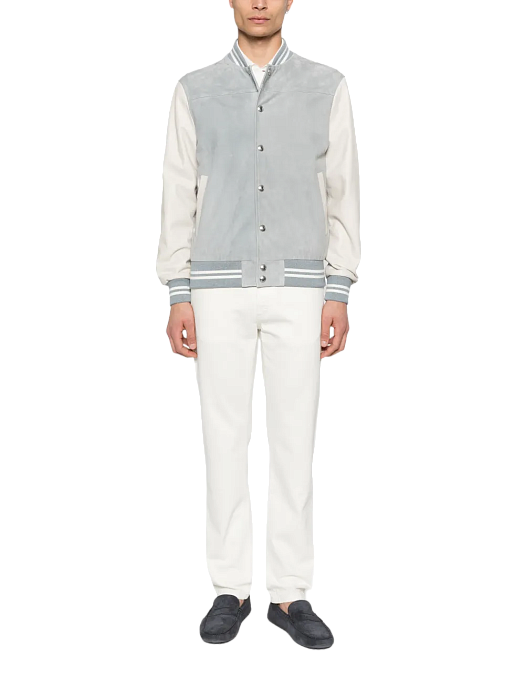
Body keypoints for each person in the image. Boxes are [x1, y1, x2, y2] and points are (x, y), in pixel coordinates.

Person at [155, 0, 360, 651]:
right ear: (229, 1)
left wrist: (339, 286)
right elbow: (178, 187)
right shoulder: (194, 88)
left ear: (291, 1)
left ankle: (290, 592)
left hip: (301, 290)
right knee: (222, 439)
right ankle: (229, 588)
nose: (260, 2)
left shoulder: (327, 84)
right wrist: (178, 291)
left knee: (296, 439)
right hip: (216, 290)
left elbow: (344, 187)